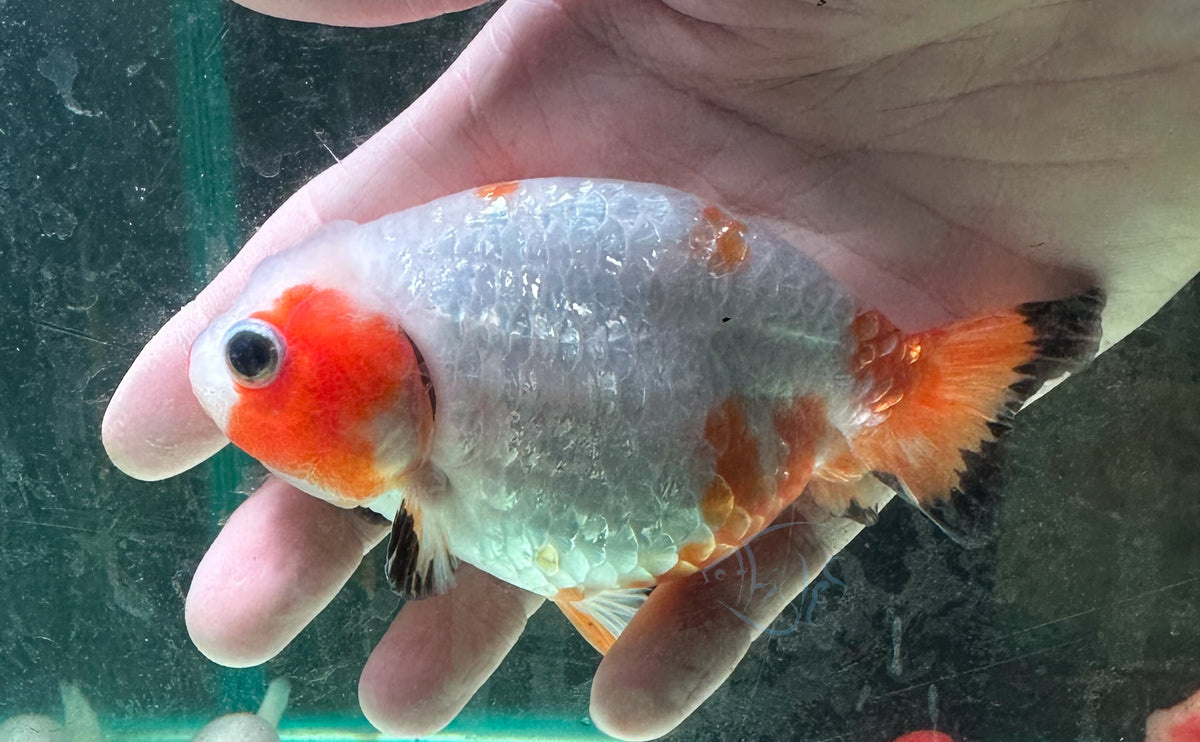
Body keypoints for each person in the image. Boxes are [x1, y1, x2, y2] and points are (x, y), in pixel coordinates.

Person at [102, 1, 1200, 739]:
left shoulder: (424, 382)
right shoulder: (418, 402)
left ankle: (927, 396)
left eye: (264, 361)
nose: (250, 389)